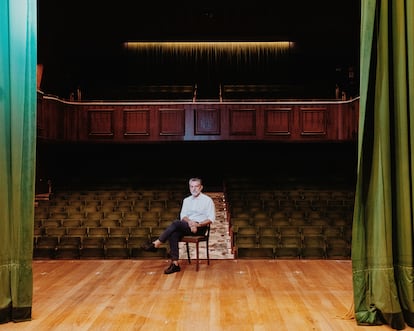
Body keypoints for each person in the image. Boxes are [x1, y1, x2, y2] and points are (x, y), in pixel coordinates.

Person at [143, 177, 215, 274]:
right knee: (174, 233)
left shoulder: (208, 200)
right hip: (188, 226)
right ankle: (175, 264)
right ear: (189, 187)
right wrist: (190, 222)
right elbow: (183, 216)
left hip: (200, 227)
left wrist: (197, 224)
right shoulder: (187, 200)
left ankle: (156, 243)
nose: (194, 189)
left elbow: (211, 219)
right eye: (191, 186)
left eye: (196, 186)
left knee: (176, 223)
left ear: (201, 187)